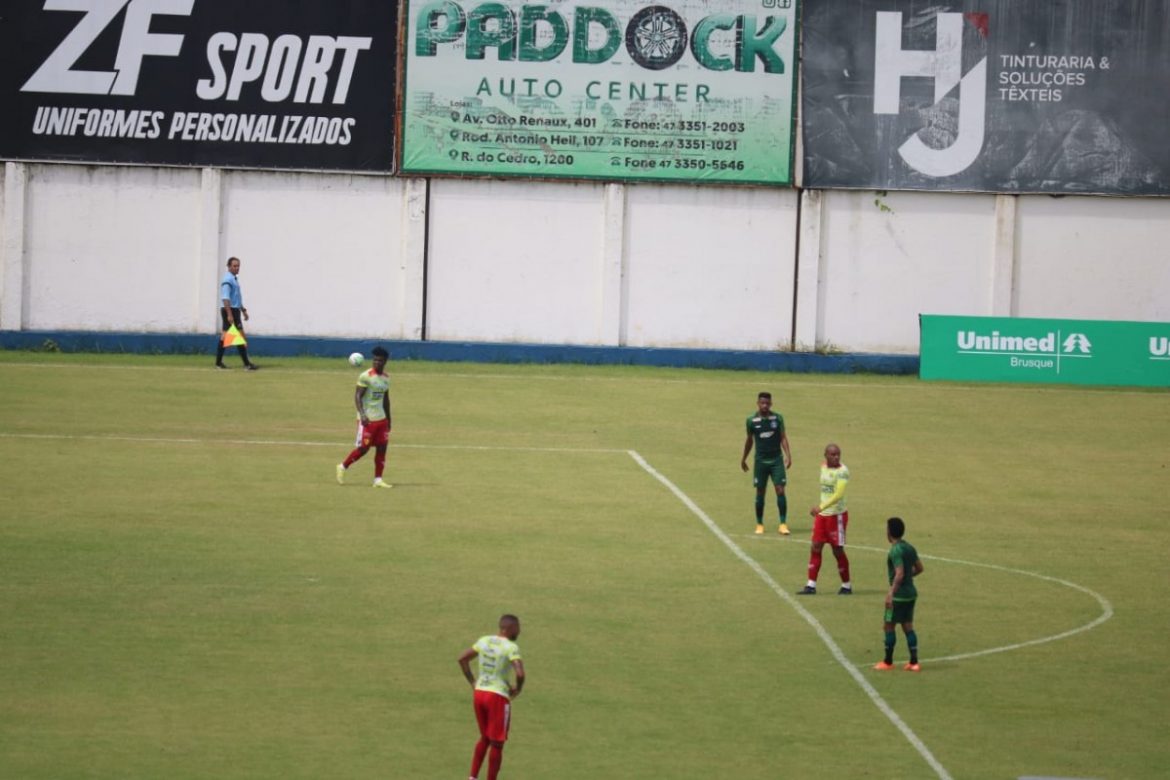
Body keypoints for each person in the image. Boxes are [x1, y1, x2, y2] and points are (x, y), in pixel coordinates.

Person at [458, 614, 525, 780]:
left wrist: (473, 682)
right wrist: (518, 689)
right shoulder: (511, 647)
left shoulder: (484, 640)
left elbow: (462, 659)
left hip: (480, 693)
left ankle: (472, 777)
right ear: (508, 628)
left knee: (485, 738)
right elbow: (520, 673)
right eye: (517, 628)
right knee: (497, 743)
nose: (519, 631)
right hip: (497, 697)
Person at [797, 443, 853, 595]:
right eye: (833, 455)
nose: (836, 457)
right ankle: (811, 585)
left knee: (837, 550)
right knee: (815, 546)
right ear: (826, 455)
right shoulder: (823, 467)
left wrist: (820, 507)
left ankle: (846, 585)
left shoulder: (842, 472)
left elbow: (838, 495)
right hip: (822, 517)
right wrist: (821, 510)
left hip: (837, 516)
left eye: (838, 455)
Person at [335, 346, 392, 488]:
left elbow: (385, 399)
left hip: (381, 420)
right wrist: (362, 414)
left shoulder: (386, 378)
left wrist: (389, 419)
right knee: (363, 449)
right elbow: (358, 396)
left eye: (380, 360)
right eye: (375, 360)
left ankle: (378, 480)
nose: (377, 362)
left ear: (385, 362)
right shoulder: (365, 376)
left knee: (382, 448)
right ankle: (342, 467)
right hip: (367, 420)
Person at [874, 516, 924, 672]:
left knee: (888, 626)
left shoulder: (895, 550)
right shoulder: (909, 547)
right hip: (911, 594)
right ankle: (914, 662)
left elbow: (900, 573)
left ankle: (888, 662)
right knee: (908, 626)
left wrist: (891, 593)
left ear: (889, 532)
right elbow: (920, 568)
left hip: (899, 596)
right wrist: (909, 577)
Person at [740, 391, 793, 535]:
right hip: (760, 461)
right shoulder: (751, 420)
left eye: (767, 403)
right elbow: (749, 440)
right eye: (762, 403)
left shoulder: (778, 418)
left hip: (776, 460)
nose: (764, 405)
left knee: (780, 490)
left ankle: (782, 524)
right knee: (760, 492)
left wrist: (788, 455)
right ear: (757, 403)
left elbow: (783, 438)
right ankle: (759, 524)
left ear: (771, 404)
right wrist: (744, 458)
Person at [214, 256, 258, 370]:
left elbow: (236, 298)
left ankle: (218, 363)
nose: (237, 268)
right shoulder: (227, 280)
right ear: (228, 266)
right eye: (234, 266)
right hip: (230, 310)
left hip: (234, 310)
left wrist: (243, 310)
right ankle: (247, 364)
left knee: (226, 336)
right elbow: (225, 298)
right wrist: (229, 314)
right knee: (239, 336)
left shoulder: (233, 279)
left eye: (238, 266)